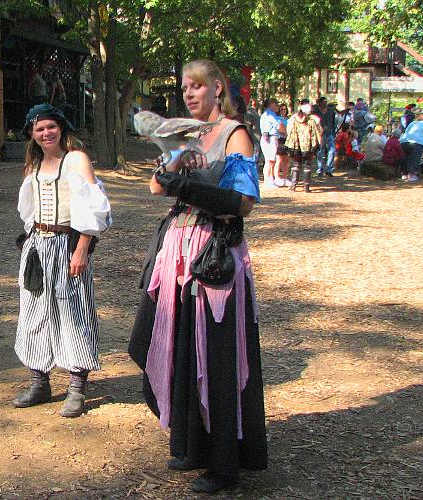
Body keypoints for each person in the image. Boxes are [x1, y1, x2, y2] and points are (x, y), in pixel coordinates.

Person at [128, 59, 267, 494]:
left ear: (217, 88)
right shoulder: (185, 131)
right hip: (178, 253)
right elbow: (157, 186)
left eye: (197, 86)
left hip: (214, 259)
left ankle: (223, 465)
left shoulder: (233, 134)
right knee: (178, 348)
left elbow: (242, 203)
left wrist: (185, 186)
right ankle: (192, 444)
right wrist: (169, 164)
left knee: (216, 360)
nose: (189, 93)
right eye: (185, 87)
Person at [13, 103, 112, 418]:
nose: (45, 133)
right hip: (39, 247)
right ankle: (39, 382)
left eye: (50, 127)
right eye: (39, 129)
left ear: (61, 127)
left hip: (68, 245)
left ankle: (76, 387)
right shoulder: (34, 165)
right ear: (32, 133)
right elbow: (28, 210)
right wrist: (29, 242)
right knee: (35, 312)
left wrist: (83, 246)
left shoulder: (76, 160)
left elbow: (96, 206)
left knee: (75, 312)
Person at [285, 98, 323, 191]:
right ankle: (306, 187)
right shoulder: (314, 119)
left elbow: (288, 130)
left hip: (296, 145)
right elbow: (320, 131)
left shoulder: (293, 118)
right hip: (309, 145)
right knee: (307, 165)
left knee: (296, 164)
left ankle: (293, 186)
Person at [399, 113, 423, 182]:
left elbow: (406, 131)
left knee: (406, 157)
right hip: (417, 142)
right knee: (414, 158)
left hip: (404, 141)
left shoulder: (412, 123)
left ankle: (404, 174)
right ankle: (412, 175)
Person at [258, 98, 282, 189]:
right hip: (269, 139)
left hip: (271, 138)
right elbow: (278, 125)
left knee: (271, 161)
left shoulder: (269, 114)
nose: (278, 107)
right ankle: (268, 181)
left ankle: (270, 179)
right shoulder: (269, 114)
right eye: (276, 105)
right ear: (271, 104)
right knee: (270, 161)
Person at [313, 96, 337, 177]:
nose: (325, 103)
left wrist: (334, 133)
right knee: (320, 152)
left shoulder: (331, 111)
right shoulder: (316, 112)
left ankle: (329, 169)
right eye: (323, 102)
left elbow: (333, 123)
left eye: (326, 102)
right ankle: (320, 169)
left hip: (329, 133)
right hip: (320, 134)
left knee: (332, 150)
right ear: (320, 103)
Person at [274, 104, 290, 186]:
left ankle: (284, 177)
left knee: (286, 160)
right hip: (280, 139)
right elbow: (280, 129)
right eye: (282, 109)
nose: (284, 111)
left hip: (287, 140)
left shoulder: (288, 119)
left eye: (285, 109)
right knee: (279, 159)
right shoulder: (277, 119)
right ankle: (277, 177)